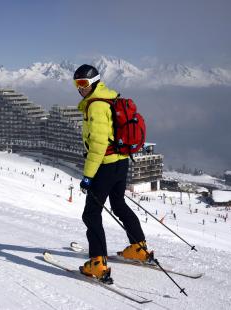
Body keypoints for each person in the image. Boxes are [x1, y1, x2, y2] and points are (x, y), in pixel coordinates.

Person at [74, 64, 152, 281]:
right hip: (121, 162)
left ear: (94, 82)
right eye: (76, 84)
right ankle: (139, 248)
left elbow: (98, 144)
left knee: (91, 214)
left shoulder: (96, 106)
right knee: (118, 204)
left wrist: (88, 176)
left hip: (105, 165)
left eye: (83, 84)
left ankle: (97, 263)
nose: (79, 89)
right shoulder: (110, 97)